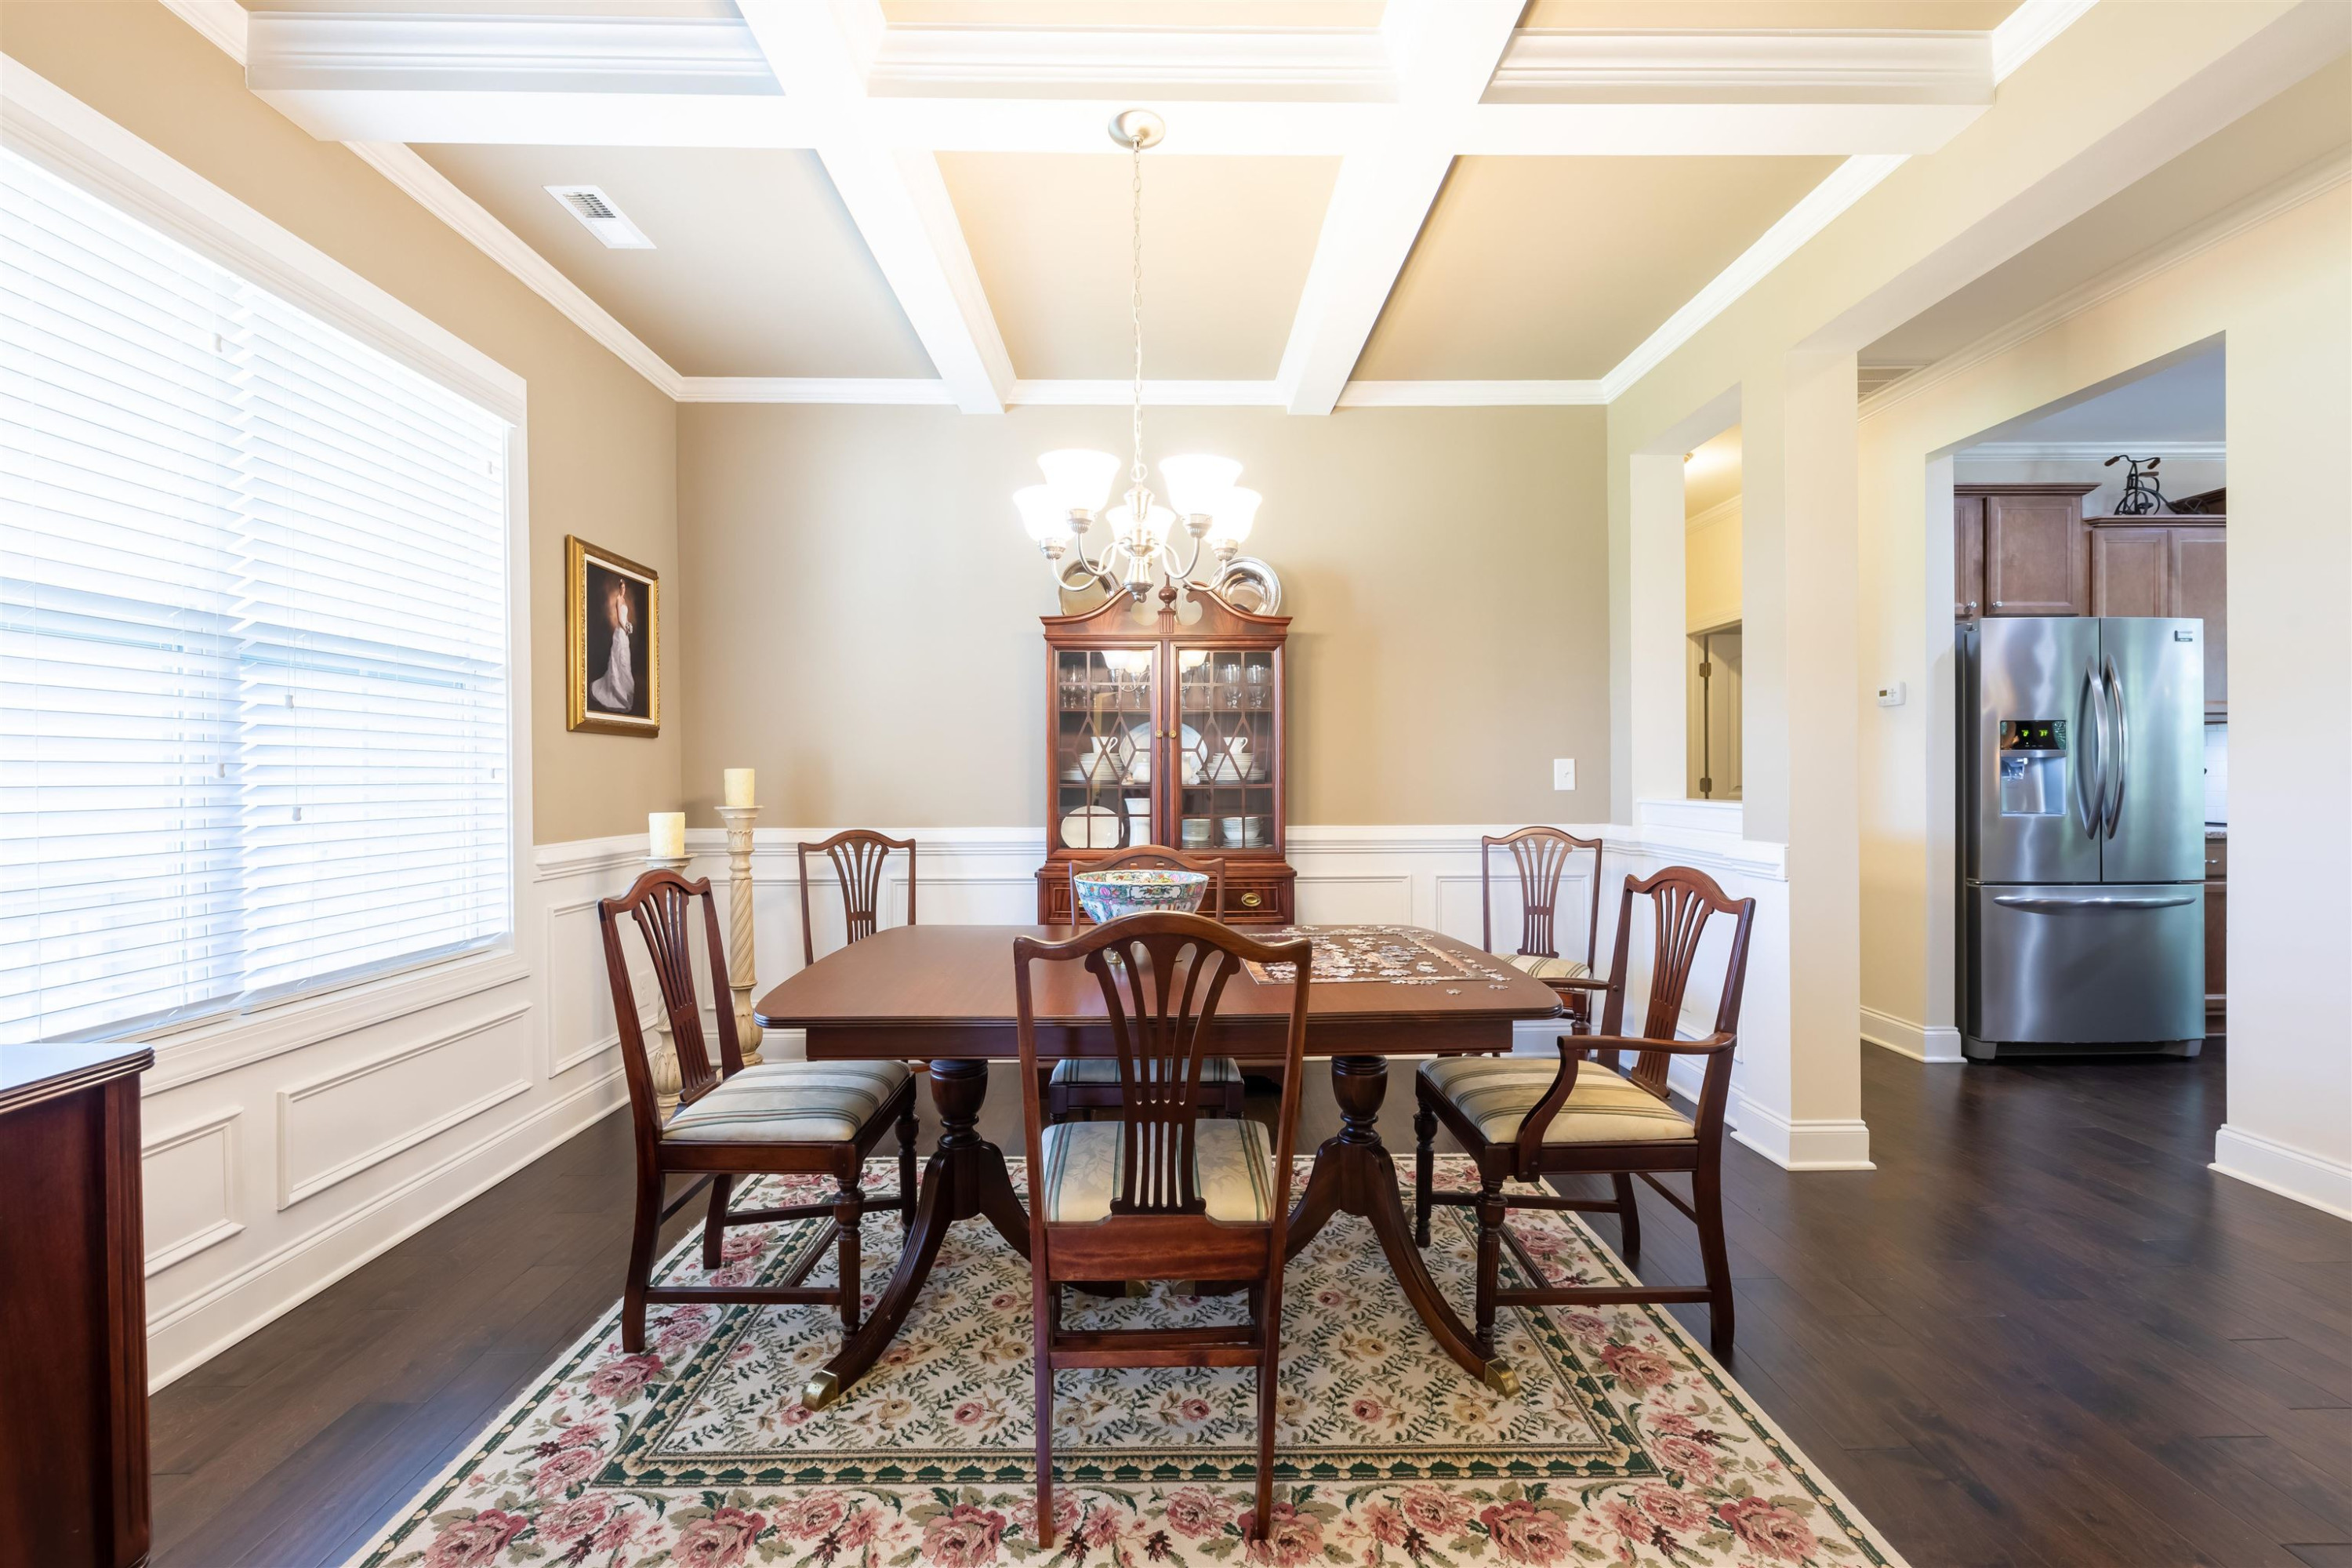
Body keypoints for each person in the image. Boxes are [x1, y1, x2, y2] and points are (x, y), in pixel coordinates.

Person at [588, 575, 636, 713]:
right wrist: (625, 627)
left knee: (625, 660)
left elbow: (625, 618)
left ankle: (625, 686)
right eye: (621, 588)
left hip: (625, 633)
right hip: (620, 632)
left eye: (624, 587)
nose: (623, 590)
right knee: (618, 659)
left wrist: (629, 625)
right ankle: (616, 689)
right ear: (619, 588)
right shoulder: (618, 599)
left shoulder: (625, 600)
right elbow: (619, 618)